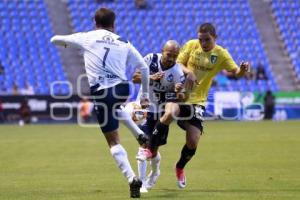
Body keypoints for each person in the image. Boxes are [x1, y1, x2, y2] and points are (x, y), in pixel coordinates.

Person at [50, 8, 150, 198]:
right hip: (122, 89)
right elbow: (143, 68)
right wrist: (144, 95)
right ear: (114, 24)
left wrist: (66, 44)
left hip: (102, 94)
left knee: (113, 142)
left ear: (95, 23)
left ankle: (131, 178)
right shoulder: (123, 42)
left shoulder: (87, 37)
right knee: (116, 106)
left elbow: (54, 39)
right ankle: (138, 133)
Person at [140, 23, 250, 189]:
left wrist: (243, 70)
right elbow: (177, 63)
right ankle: (150, 147)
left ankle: (180, 167)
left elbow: (236, 73)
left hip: (198, 101)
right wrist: (188, 72)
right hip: (179, 93)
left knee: (193, 141)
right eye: (201, 39)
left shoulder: (221, 54)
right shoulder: (192, 45)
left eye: (207, 40)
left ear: (215, 38)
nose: (203, 43)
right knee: (170, 112)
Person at [128, 40, 185, 193]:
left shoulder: (178, 73)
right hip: (144, 108)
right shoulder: (150, 59)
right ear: (162, 51)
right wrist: (151, 77)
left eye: (174, 56)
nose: (171, 58)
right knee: (143, 146)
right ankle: (140, 183)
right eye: (169, 55)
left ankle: (154, 173)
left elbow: (180, 97)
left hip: (161, 113)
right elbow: (134, 78)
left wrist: (178, 91)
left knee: (153, 150)